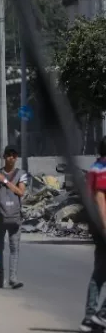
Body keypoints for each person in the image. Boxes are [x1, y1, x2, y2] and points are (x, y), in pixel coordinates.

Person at [0, 145, 27, 289]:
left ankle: (13, 278)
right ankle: (0, 278)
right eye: (9, 155)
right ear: (4, 156)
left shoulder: (22, 174)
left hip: (15, 217)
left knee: (15, 248)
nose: (11, 158)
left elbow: (21, 192)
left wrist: (6, 181)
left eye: (14, 155)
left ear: (17, 157)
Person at [80, 136, 106, 331]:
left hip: (95, 227)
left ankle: (90, 318)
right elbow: (99, 197)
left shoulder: (94, 167)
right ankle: (101, 315)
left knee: (99, 273)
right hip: (103, 227)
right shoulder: (103, 169)